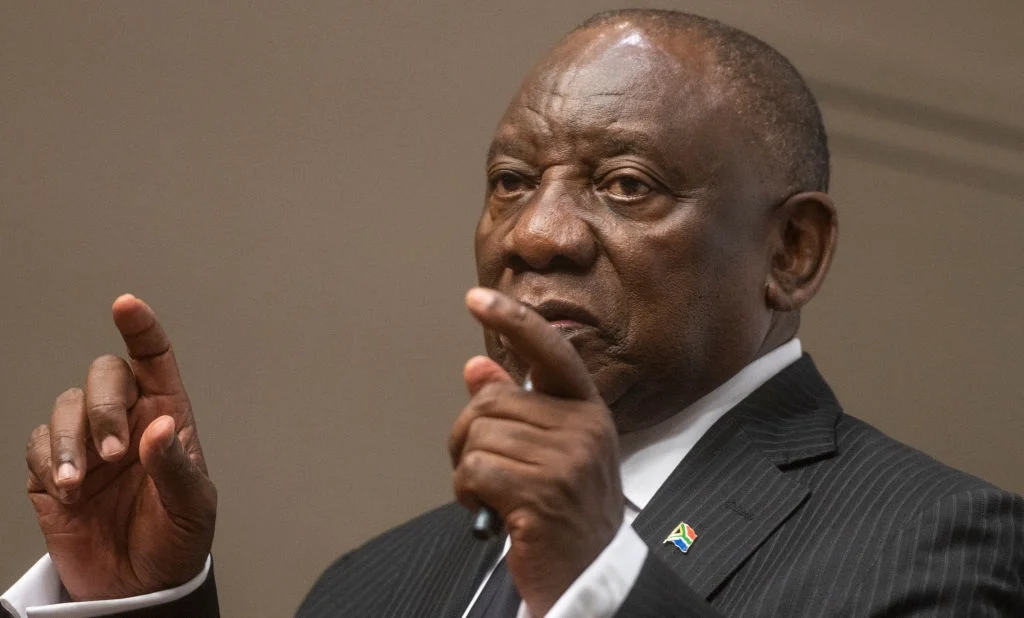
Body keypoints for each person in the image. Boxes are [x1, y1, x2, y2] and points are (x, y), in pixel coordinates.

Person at [4, 8, 1023, 618]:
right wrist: (136, 604)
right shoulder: (373, 584)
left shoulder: (940, 544)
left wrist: (600, 584)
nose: (534, 234)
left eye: (625, 184)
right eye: (510, 181)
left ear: (791, 251)